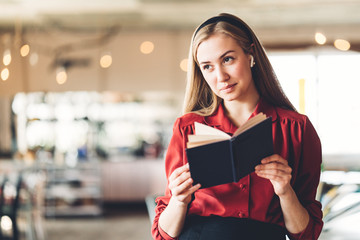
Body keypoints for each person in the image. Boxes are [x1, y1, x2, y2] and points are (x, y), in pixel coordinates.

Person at [151, 13, 323, 240]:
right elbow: (162, 235)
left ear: (250, 54)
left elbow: (306, 235)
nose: (220, 76)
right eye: (207, 67)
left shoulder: (296, 129)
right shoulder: (187, 129)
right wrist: (179, 199)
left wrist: (285, 192)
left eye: (228, 59)